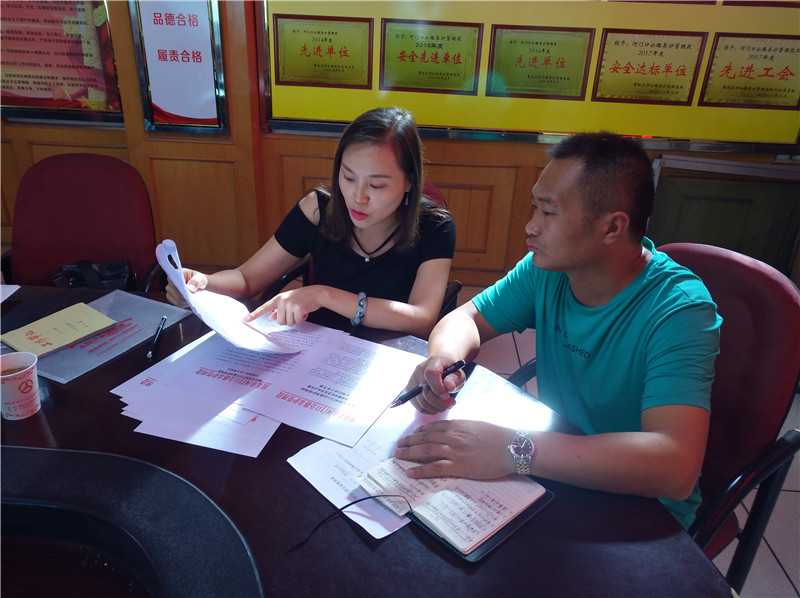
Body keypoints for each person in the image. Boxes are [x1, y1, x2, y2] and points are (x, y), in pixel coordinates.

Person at [393, 132, 722, 529]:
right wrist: (442, 360)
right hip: (558, 471)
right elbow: (466, 319)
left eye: (548, 213)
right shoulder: (548, 271)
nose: (531, 227)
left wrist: (514, 449)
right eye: (535, 208)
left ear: (612, 227)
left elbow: (674, 468)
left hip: (641, 511)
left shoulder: (679, 311)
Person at [166, 107, 456, 338]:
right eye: (348, 177)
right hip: (316, 349)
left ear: (409, 182)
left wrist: (323, 295)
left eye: (376, 186)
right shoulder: (318, 210)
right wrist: (203, 284)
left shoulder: (435, 228)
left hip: (390, 355)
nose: (357, 197)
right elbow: (247, 278)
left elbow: (422, 318)